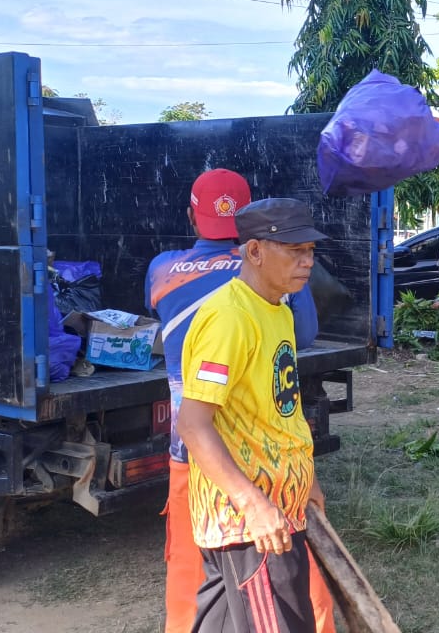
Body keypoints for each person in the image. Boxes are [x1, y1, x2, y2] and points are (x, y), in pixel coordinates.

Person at [145, 171, 334, 633]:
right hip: (250, 520)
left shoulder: (276, 308)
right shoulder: (229, 317)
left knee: (221, 619)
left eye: (310, 251)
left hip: (275, 500)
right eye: (294, 252)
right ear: (253, 251)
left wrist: (304, 477)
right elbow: (192, 424)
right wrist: (252, 503)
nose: (307, 263)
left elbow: (279, 407)